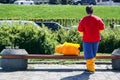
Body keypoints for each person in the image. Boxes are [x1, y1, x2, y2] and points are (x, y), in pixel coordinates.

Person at [78, 5, 105, 73]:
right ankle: (91, 67)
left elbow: (80, 29)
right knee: (93, 53)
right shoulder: (98, 19)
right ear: (92, 11)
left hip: (87, 39)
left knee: (88, 54)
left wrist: (84, 33)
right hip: (96, 39)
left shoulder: (84, 19)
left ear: (86, 11)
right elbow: (102, 28)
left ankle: (90, 69)